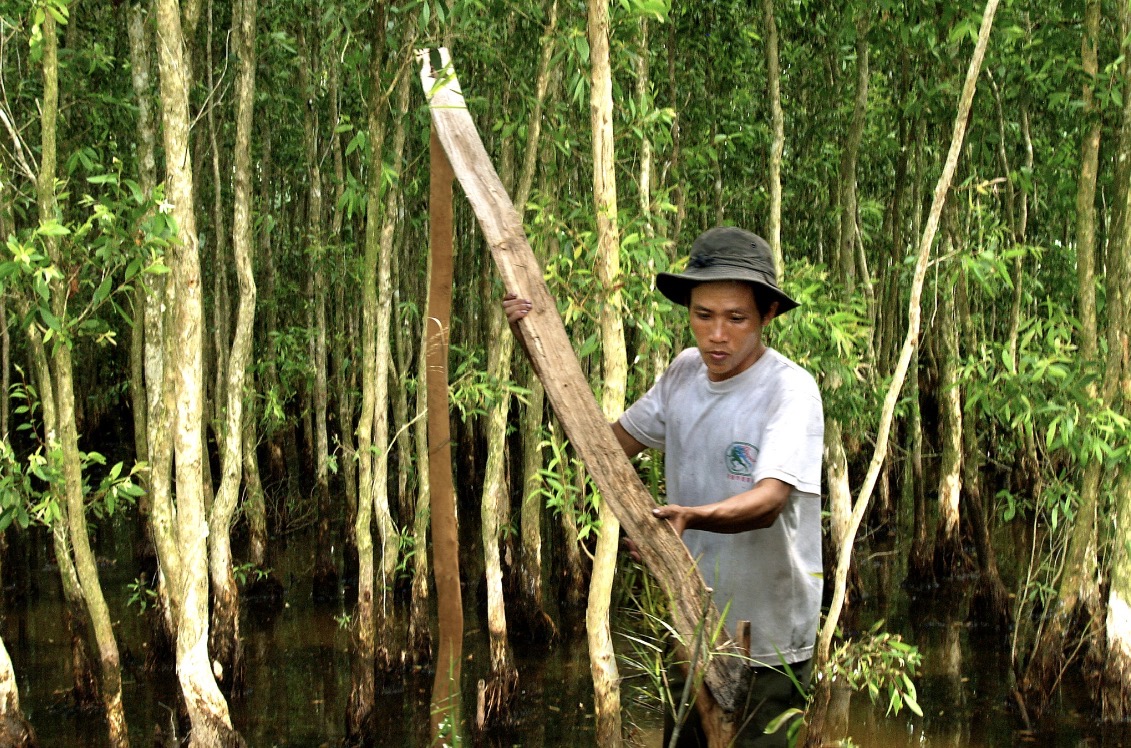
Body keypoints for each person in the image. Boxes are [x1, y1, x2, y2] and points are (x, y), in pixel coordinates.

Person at [504, 226, 824, 747]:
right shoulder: (682, 374)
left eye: (736, 318)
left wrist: (691, 517)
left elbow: (769, 501)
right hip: (690, 626)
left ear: (767, 316)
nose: (717, 334)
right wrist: (536, 345)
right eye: (703, 316)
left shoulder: (790, 390)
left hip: (768, 645)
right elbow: (605, 447)